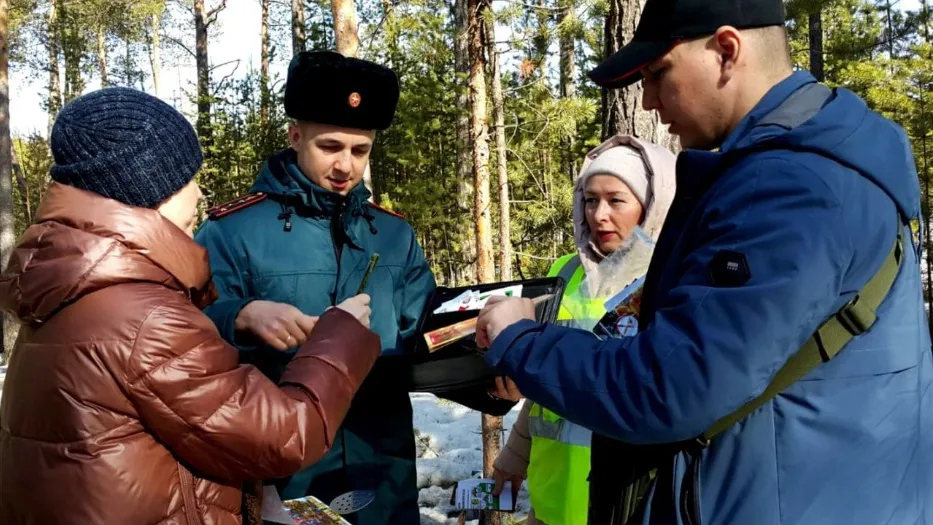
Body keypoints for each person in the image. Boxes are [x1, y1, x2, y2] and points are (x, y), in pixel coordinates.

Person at [476, 0, 933, 523]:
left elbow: (671, 387)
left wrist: (520, 341)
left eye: (657, 74)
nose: (647, 101)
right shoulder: (820, 163)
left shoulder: (789, 189)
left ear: (726, 50)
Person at [0, 87, 381, 525]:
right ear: (147, 191)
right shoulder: (143, 316)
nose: (199, 194)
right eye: (186, 179)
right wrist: (341, 335)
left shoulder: (64, 291)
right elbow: (284, 434)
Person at [195, 51, 436, 524]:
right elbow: (182, 338)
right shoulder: (232, 231)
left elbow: (424, 332)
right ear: (295, 137)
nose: (346, 165)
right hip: (283, 471)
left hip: (381, 464)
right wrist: (241, 315)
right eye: (330, 146)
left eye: (360, 150)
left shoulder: (392, 235)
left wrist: (489, 370)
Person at [491, 135, 676, 525]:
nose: (598, 215)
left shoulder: (671, 282)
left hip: (625, 508)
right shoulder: (565, 273)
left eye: (616, 200)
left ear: (653, 204)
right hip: (550, 502)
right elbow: (546, 381)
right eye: (590, 199)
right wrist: (513, 458)